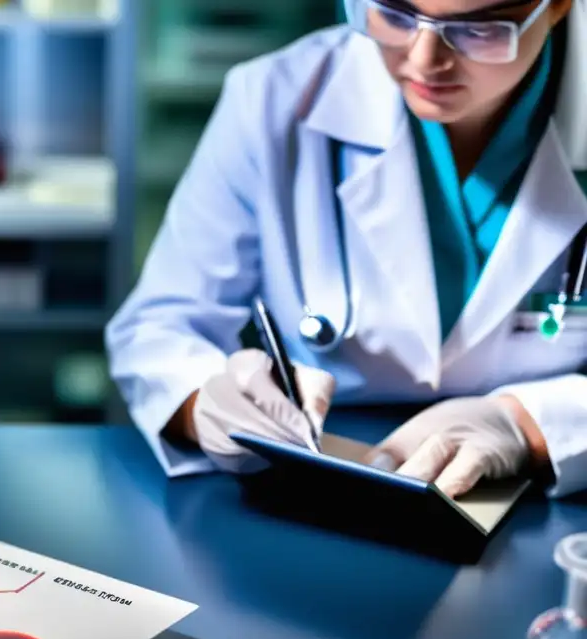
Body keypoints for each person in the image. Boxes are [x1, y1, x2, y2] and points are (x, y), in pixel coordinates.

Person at [106, 0, 587, 499]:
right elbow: (159, 327)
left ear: (557, 7)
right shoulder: (275, 98)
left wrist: (526, 425)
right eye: (395, 14)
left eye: (479, 29)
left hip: (548, 501)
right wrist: (208, 402)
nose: (425, 60)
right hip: (314, 482)